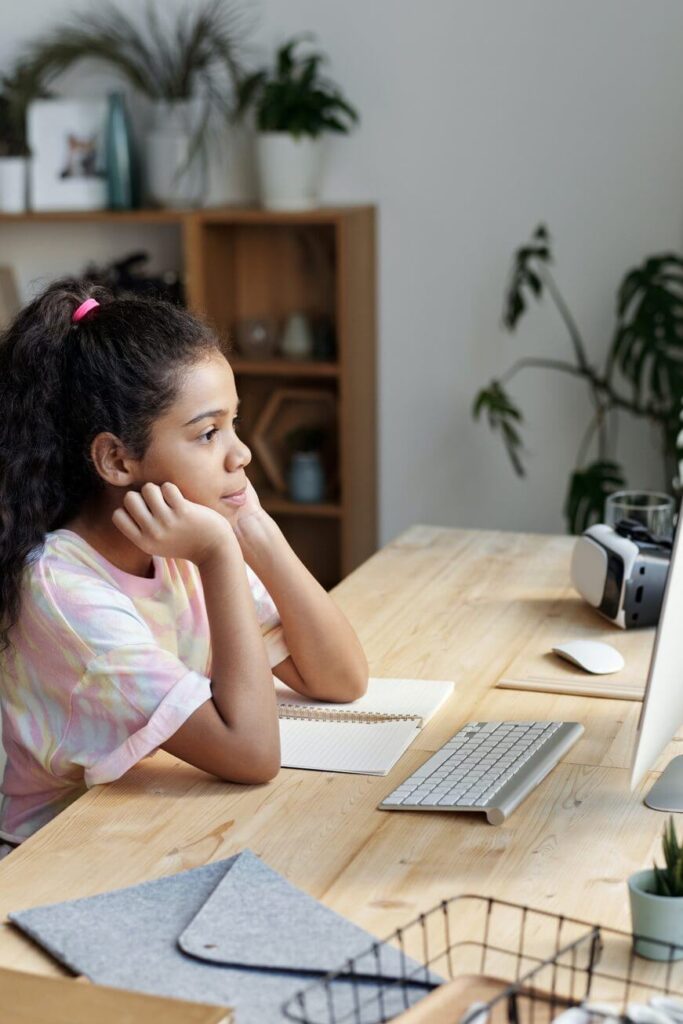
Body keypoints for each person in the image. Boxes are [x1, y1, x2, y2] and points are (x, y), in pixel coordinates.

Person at [0, 278, 368, 850]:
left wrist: (260, 535)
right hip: (59, 860)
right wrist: (222, 554)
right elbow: (251, 753)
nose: (241, 453)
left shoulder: (180, 542)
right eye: (208, 433)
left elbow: (340, 679)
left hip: (156, 831)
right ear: (117, 459)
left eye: (234, 423)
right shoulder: (64, 591)